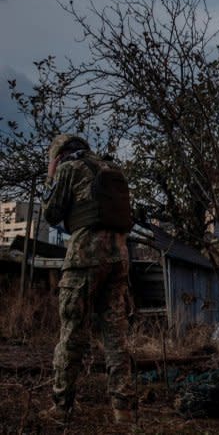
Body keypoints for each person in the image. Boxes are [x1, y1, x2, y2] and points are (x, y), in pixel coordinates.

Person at [39, 134, 135, 425]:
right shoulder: (110, 169)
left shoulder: (68, 169)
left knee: (72, 331)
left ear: (59, 154)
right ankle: (123, 411)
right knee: (116, 335)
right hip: (119, 256)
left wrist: (50, 177)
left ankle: (61, 407)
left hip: (85, 257)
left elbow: (51, 214)